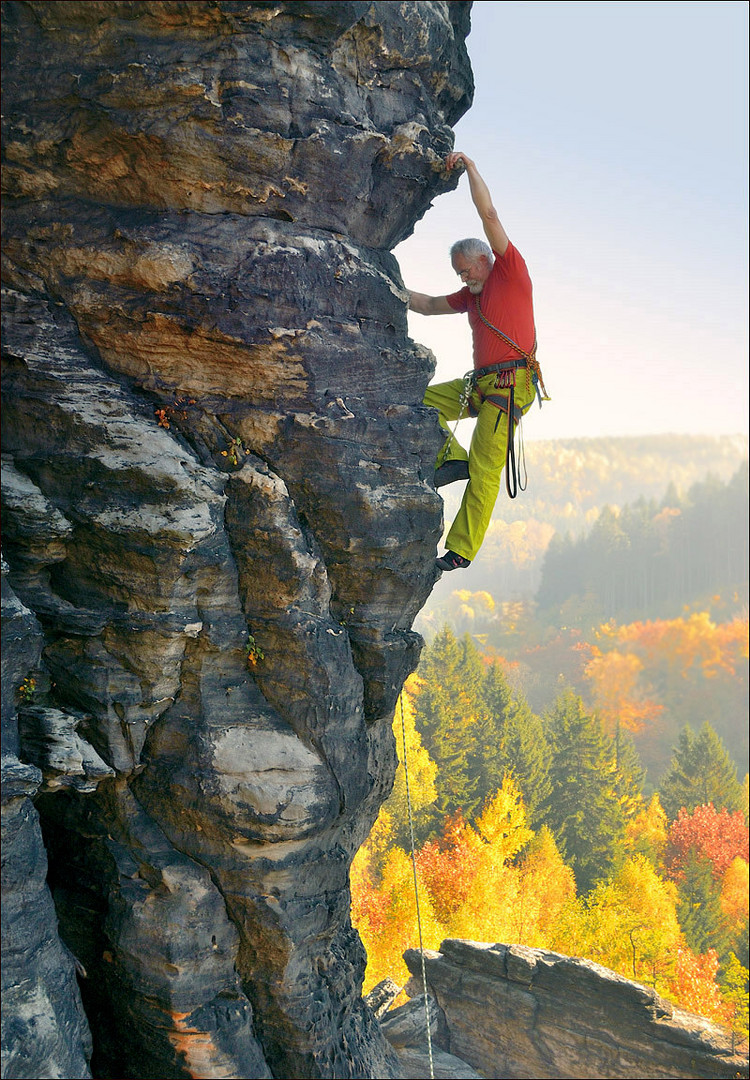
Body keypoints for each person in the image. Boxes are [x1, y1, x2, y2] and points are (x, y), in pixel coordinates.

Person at [408, 151, 544, 572]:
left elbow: (488, 213)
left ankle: (461, 549)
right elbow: (429, 305)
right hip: (481, 383)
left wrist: (470, 168)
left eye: (465, 269)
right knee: (420, 402)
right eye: (458, 273)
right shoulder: (470, 296)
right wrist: (383, 283)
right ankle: (451, 458)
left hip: (509, 386)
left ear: (484, 259)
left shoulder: (510, 272)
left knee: (486, 468)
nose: (463, 278)